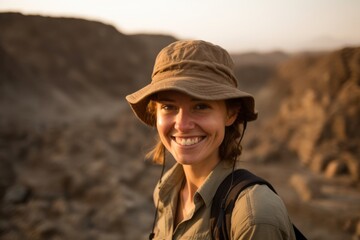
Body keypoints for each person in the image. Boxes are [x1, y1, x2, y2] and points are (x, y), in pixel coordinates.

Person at [126, 40, 296, 239]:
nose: (182, 125)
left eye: (200, 106)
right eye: (168, 107)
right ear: (155, 113)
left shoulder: (254, 216)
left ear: (230, 114)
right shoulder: (165, 191)